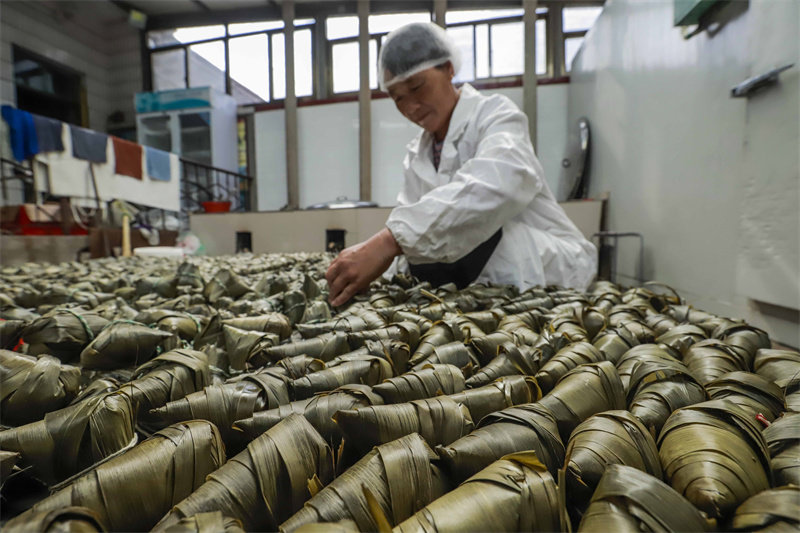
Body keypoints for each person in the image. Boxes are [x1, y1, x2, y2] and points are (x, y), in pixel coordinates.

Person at [326, 22, 597, 307]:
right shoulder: (418, 154)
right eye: (398, 98)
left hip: (547, 268)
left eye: (417, 87)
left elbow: (496, 187)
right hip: (474, 282)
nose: (410, 107)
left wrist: (388, 242)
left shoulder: (496, 116)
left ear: (449, 69)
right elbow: (415, 231)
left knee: (477, 233)